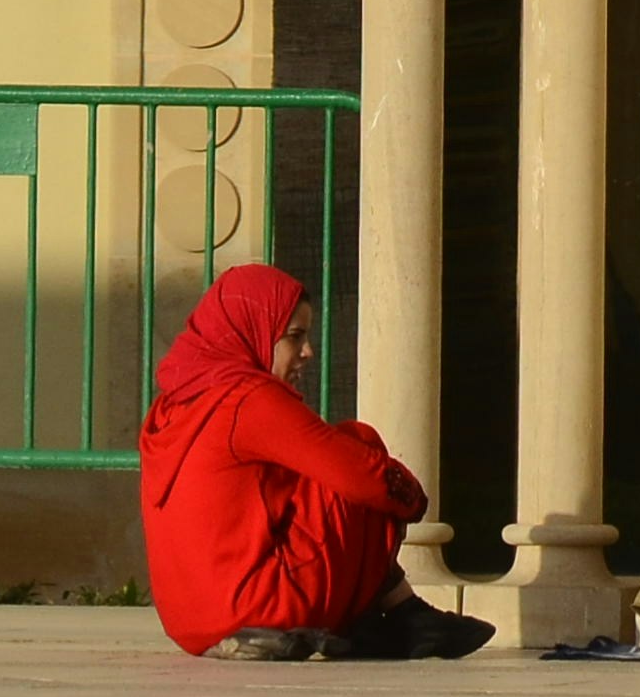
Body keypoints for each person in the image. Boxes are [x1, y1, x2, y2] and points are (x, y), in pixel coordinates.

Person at [138, 266, 493, 662]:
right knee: (359, 442)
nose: (307, 351)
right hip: (258, 607)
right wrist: (412, 500)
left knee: (316, 474)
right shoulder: (248, 398)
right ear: (252, 329)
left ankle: (399, 611)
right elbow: (363, 475)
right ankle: (400, 613)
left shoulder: (171, 407)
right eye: (294, 336)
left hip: (188, 624)